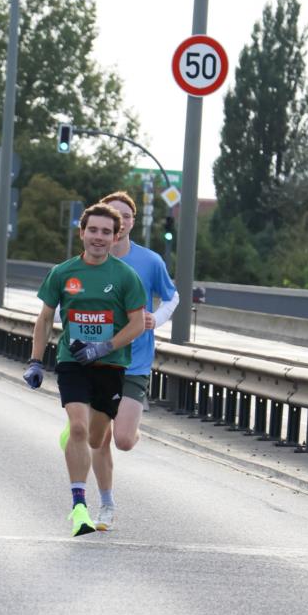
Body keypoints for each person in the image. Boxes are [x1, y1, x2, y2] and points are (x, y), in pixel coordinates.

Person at [23, 202, 146, 536]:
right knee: (78, 428)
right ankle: (79, 506)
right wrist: (36, 360)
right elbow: (45, 318)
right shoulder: (62, 273)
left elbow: (137, 324)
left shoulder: (125, 276)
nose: (99, 237)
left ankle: (107, 500)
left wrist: (104, 347)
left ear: (116, 236)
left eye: (106, 232)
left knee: (97, 438)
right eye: (93, 230)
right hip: (73, 362)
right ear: (82, 232)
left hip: (110, 366)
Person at [86, 191, 179, 531]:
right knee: (99, 440)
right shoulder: (91, 259)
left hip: (135, 361)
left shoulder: (150, 261)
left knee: (122, 440)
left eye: (126, 215)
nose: (120, 220)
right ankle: (106, 504)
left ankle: (132, 424)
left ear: (131, 222)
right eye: (114, 214)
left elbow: (173, 295)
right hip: (99, 362)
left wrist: (158, 317)